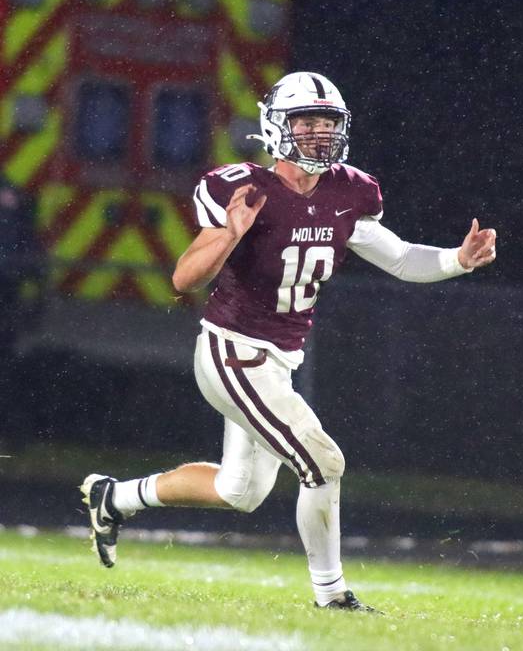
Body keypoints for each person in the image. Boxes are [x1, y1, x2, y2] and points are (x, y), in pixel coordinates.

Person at [81, 71, 497, 610]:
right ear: (277, 127)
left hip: (276, 360)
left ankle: (114, 497)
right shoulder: (244, 189)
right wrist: (232, 233)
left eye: (328, 123)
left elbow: (397, 257)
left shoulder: (350, 192)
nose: (320, 134)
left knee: (240, 492)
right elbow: (184, 279)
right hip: (232, 351)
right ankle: (332, 596)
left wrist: (456, 261)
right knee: (324, 463)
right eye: (306, 123)